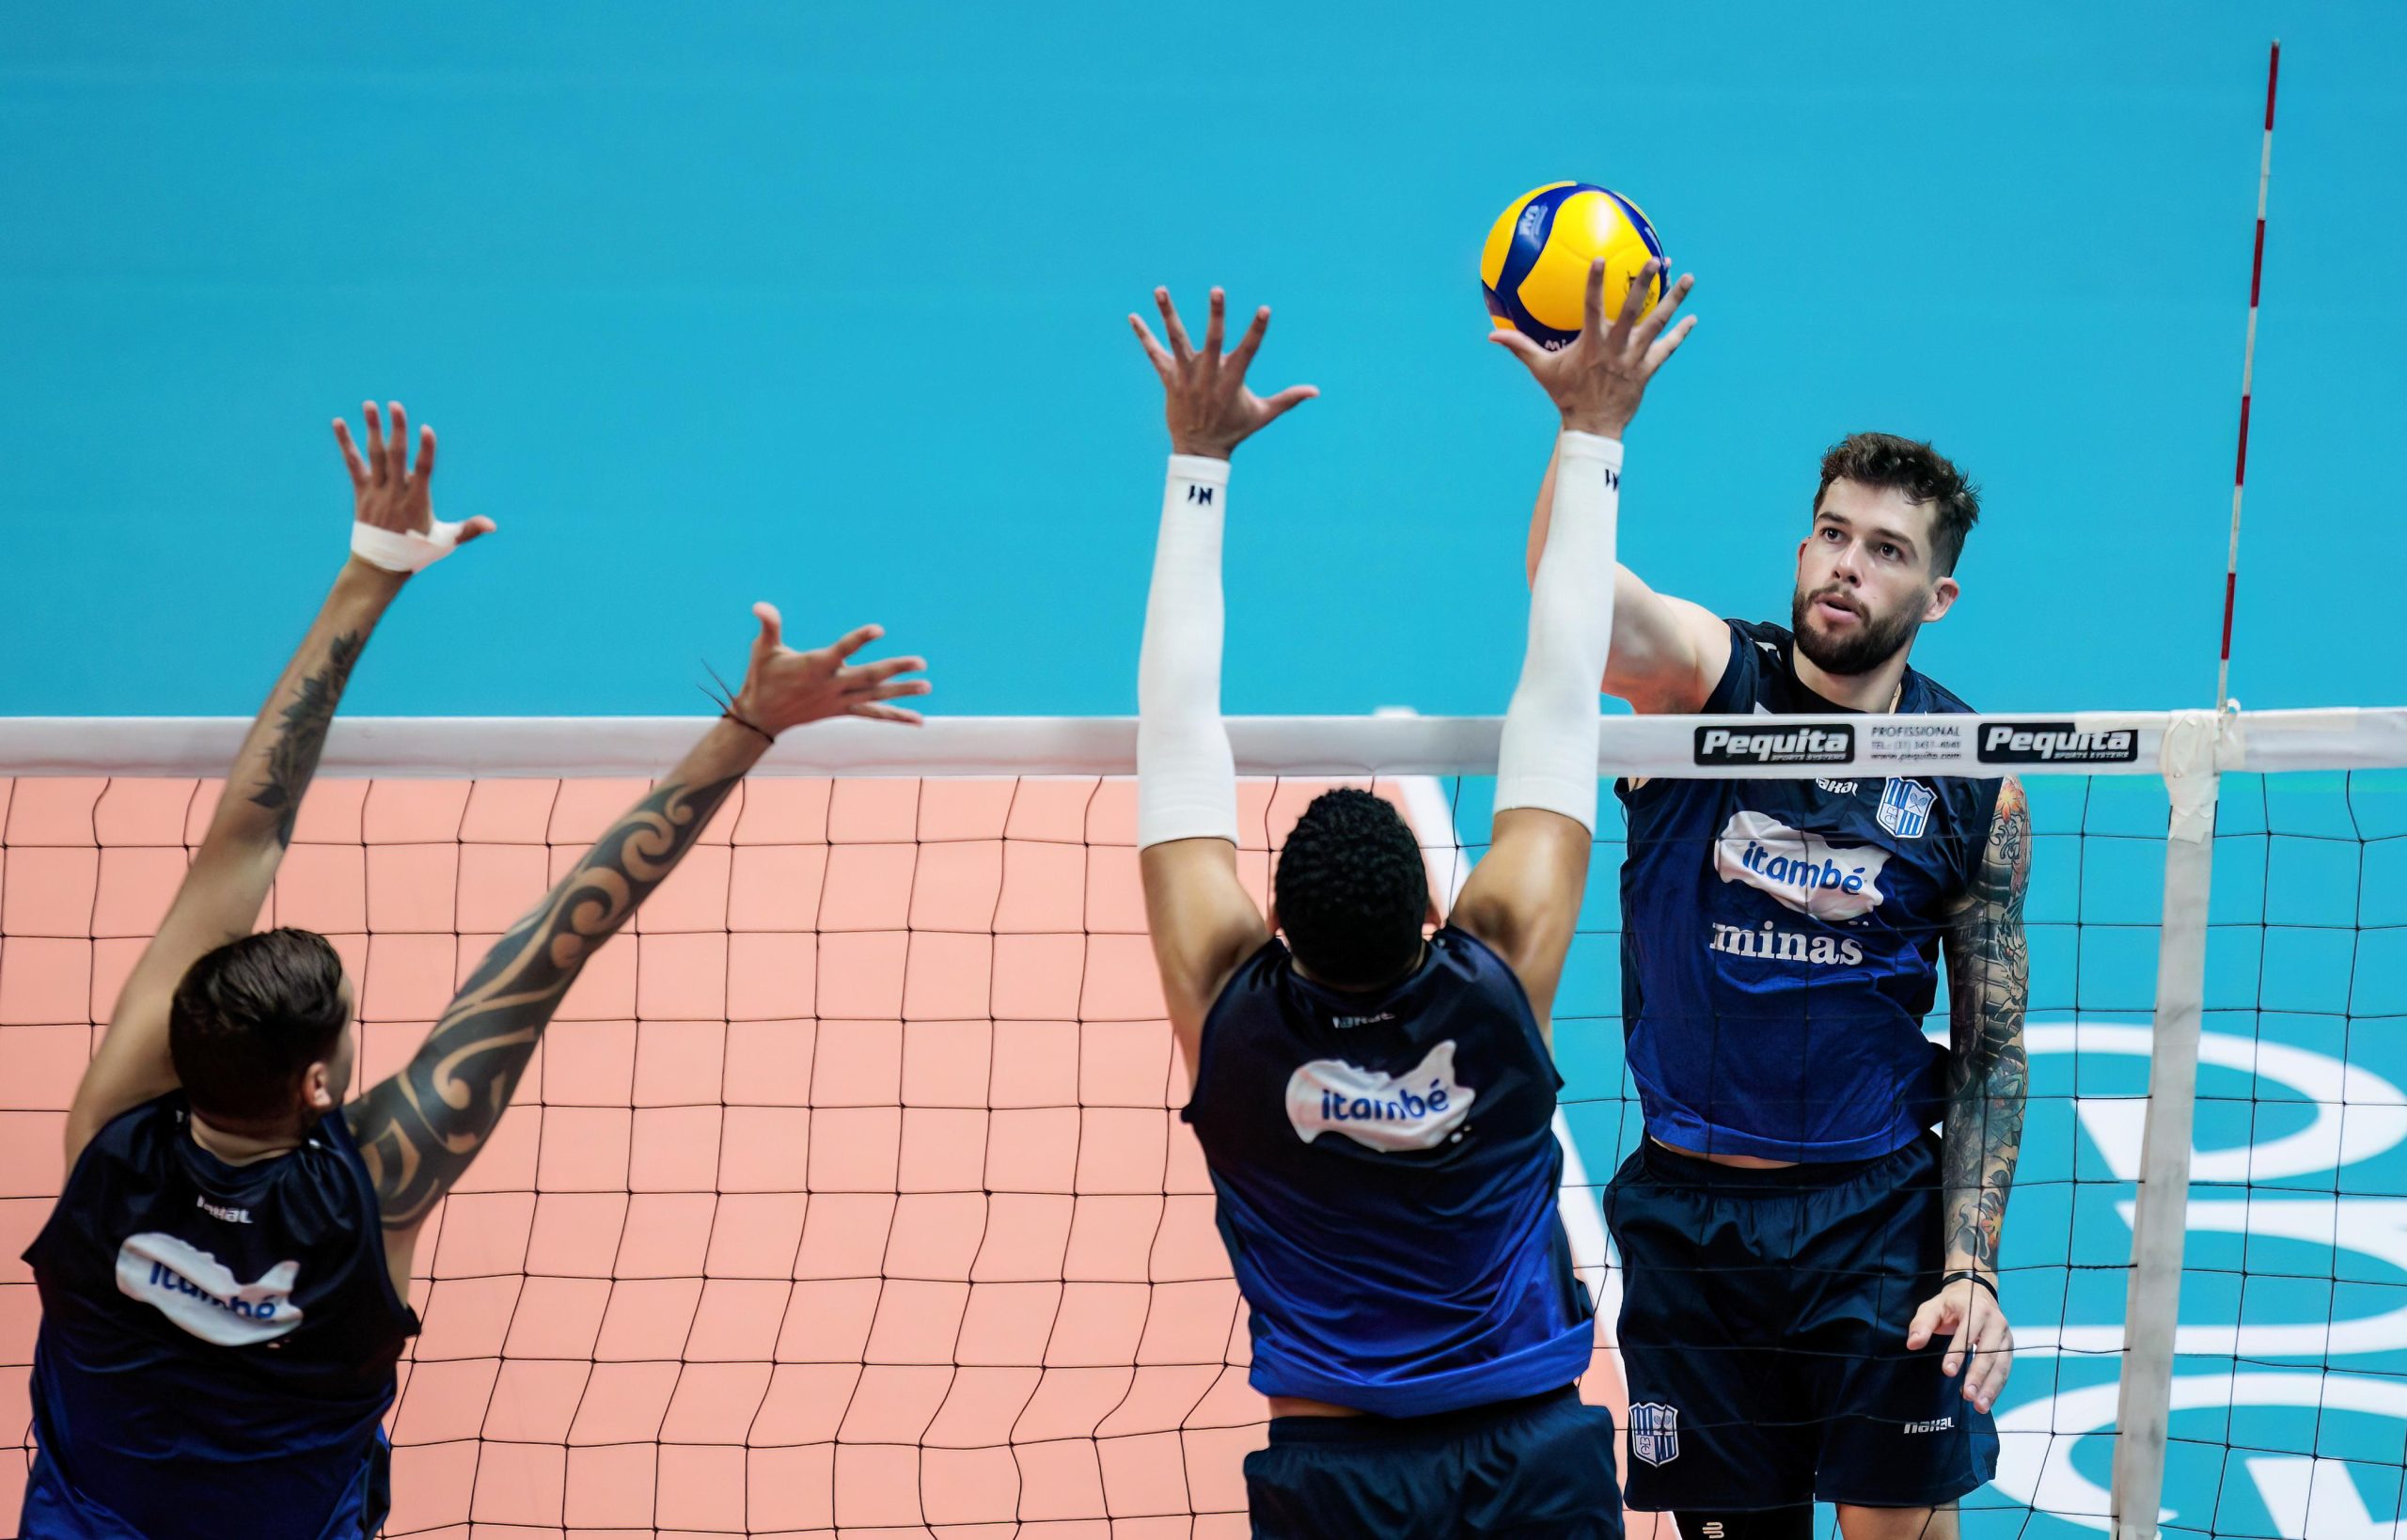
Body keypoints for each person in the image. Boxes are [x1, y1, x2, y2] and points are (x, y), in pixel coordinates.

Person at [20, 402, 931, 1540]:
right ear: (315, 1086)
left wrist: (370, 570)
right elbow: (556, 941)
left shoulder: (110, 1134)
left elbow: (240, 844)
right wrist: (748, 725)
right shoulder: (377, 1181)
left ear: (182, 1044)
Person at [1130, 259, 1694, 1538]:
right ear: (1438, 915)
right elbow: (1561, 699)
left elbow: (1175, 734)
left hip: (1331, 1477)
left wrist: (1195, 462)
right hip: (1532, 1453)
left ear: (1269, 927)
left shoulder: (1230, 1013)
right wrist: (1594, 428)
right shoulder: (1498, 978)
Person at [1520, 407, 2030, 1532]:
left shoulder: (1969, 773)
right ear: (1803, 548)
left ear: (1936, 597)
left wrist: (1971, 1266)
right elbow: (1575, 605)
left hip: (1874, 1216)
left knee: (1896, 1529)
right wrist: (1586, 424)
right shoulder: (1707, 693)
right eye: (1832, 534)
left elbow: (1992, 1049)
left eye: (1887, 550)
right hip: (1693, 1220)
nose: (1848, 566)